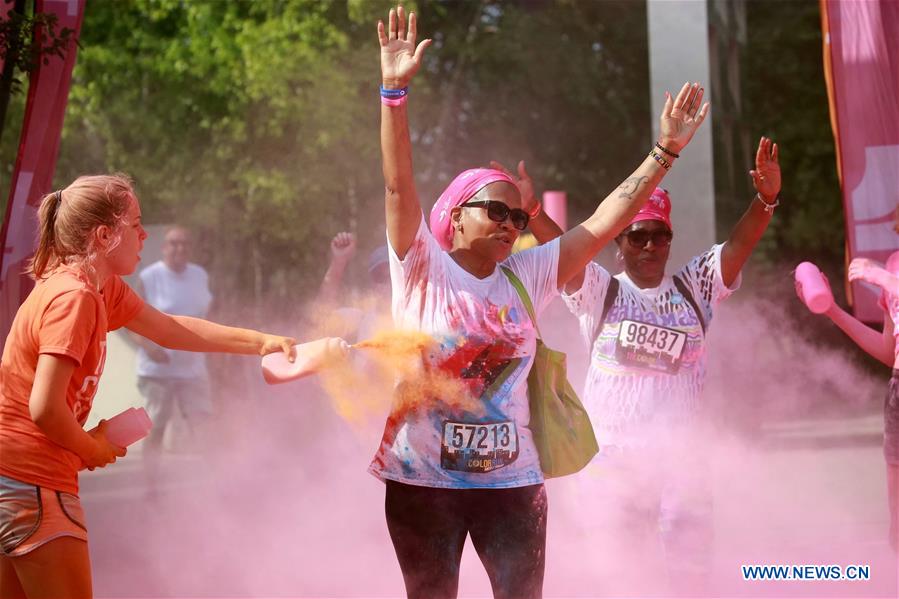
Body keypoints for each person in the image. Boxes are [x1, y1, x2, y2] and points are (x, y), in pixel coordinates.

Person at [372, 6, 709, 597]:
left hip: (513, 483)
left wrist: (665, 151)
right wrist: (394, 94)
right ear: (453, 218)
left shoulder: (530, 273)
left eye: (517, 215)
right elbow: (398, 184)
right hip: (423, 481)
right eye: (495, 211)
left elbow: (606, 223)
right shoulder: (420, 266)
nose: (510, 223)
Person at [0, 174, 298, 598]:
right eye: (135, 224)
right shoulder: (76, 297)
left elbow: (170, 328)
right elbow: (44, 408)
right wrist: (91, 449)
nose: (144, 236)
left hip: (16, 481)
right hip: (34, 483)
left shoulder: (101, 289)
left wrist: (261, 342)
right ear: (104, 236)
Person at [517, 136, 781, 593]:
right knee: (620, 580)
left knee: (689, 581)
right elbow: (566, 254)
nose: (650, 245)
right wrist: (534, 214)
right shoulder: (603, 292)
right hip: (612, 467)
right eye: (638, 235)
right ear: (620, 241)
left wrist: (766, 199)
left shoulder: (694, 287)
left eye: (660, 235)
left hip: (682, 465)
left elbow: (739, 244)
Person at [812, 253, 899, 553]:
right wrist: (832, 310)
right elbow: (889, 351)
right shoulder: (895, 263)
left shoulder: (889, 275)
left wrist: (884, 280)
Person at [130, 226, 214, 489]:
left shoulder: (200, 276)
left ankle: (212, 486)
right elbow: (130, 319)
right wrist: (148, 347)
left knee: (202, 425)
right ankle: (152, 486)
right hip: (158, 371)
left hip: (192, 369)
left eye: (184, 244)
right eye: (173, 244)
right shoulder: (150, 276)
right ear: (165, 247)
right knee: (156, 428)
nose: (179, 249)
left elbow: (207, 319)